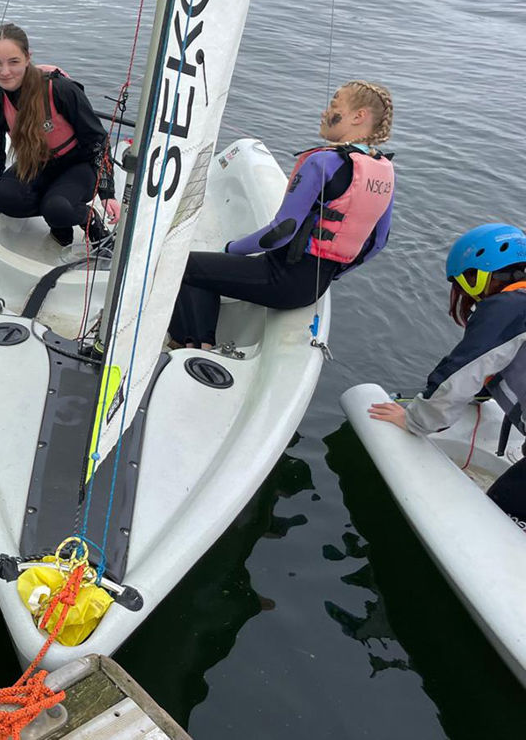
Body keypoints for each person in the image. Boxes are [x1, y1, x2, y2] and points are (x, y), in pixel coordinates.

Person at [167, 81, 395, 349]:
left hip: (280, 278)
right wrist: (333, 272)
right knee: (209, 271)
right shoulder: (384, 170)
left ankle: (193, 347)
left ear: (360, 116)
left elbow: (280, 231)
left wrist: (231, 249)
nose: (324, 113)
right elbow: (378, 243)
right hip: (313, 287)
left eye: (334, 105)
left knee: (185, 267)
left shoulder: (323, 162)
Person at [369, 224, 526, 530]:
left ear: (480, 276)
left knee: (496, 520)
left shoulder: (508, 307)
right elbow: (497, 362)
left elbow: (461, 370)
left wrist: (415, 419)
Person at [0, 23, 120, 246]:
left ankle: (87, 217)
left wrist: (107, 192)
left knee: (55, 207)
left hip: (80, 165)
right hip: (38, 164)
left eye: (13, 62)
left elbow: (97, 142)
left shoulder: (60, 90)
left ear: (27, 58)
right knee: (5, 198)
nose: (5, 72)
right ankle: (59, 214)